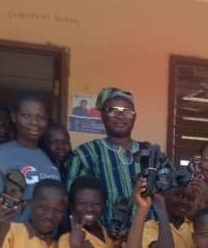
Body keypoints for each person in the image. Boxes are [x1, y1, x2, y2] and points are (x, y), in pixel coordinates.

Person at [66, 88, 170, 223]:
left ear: (134, 117)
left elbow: (172, 193)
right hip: (104, 240)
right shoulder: (84, 155)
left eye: (127, 112)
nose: (120, 116)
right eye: (113, 111)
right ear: (102, 115)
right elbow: (71, 201)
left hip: (151, 239)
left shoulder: (151, 153)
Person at [0, 92, 59, 233]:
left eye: (40, 117)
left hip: (46, 246)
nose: (34, 122)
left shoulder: (48, 156)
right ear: (14, 117)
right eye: (26, 116)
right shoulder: (1, 155)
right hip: (12, 243)